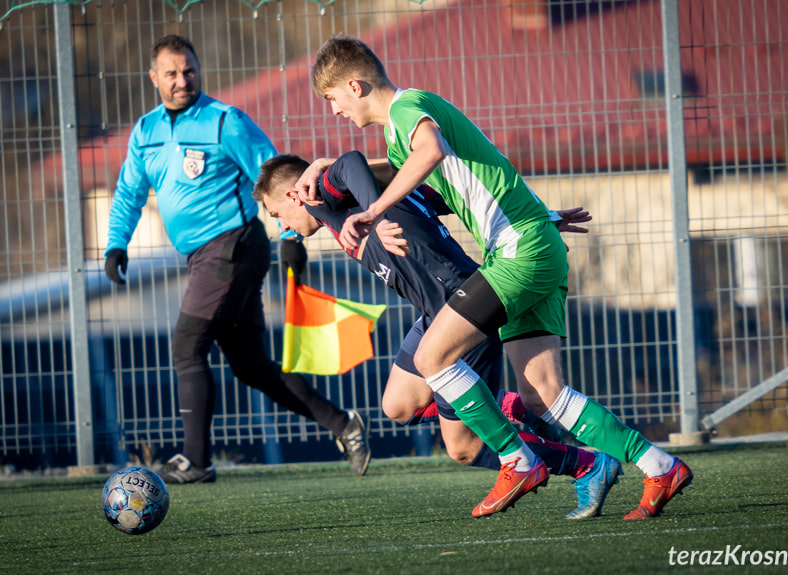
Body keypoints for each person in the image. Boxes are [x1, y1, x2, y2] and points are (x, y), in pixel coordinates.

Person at [296, 34, 692, 519]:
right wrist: (322, 165)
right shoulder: (402, 130)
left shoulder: (408, 108)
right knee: (543, 394)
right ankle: (658, 465)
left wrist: (374, 211)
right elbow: (467, 166)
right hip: (534, 242)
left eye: (331, 99)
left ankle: (517, 459)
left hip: (517, 251)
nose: (334, 111)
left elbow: (431, 154)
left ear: (354, 86)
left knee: (433, 355)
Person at [254, 151, 622, 519]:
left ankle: (586, 464)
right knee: (397, 406)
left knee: (464, 447)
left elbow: (350, 162)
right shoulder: (372, 193)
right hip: (437, 311)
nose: (280, 225)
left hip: (461, 309)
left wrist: (375, 214)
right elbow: (459, 197)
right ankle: (514, 407)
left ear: (293, 196)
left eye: (276, 215)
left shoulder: (320, 193)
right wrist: (540, 219)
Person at [103, 34, 370, 484]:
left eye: (188, 70)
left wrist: (291, 233)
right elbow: (129, 192)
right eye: (171, 73)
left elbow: (275, 175)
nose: (182, 80)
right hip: (204, 256)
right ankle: (344, 425)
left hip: (233, 245)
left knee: (187, 345)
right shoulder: (145, 132)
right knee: (249, 365)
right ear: (154, 78)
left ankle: (196, 461)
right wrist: (115, 243)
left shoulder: (225, 121)